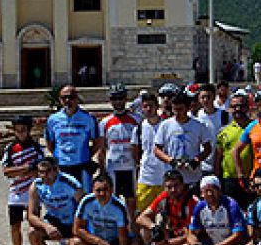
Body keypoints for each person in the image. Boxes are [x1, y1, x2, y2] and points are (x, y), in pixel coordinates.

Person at [70, 173, 135, 245]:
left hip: (115, 240)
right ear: (92, 190)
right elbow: (77, 229)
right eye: (98, 190)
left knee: (135, 244)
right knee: (74, 243)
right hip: (95, 238)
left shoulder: (119, 206)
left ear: (112, 190)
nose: (102, 194)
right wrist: (97, 241)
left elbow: (123, 238)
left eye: (105, 190)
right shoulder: (86, 202)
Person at [26, 158, 85, 245]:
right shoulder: (36, 186)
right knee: (32, 233)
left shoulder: (69, 182)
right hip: (53, 220)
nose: (44, 176)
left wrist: (78, 226)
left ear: (56, 170)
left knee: (77, 235)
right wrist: (46, 226)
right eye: (40, 172)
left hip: (72, 220)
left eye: (47, 171)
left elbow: (84, 207)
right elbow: (31, 215)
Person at [1, 115, 42, 245]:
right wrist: (25, 168)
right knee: (14, 227)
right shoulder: (10, 148)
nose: (21, 133)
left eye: (23, 130)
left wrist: (20, 170)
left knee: (34, 227)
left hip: (32, 192)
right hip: (15, 193)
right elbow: (6, 171)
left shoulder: (36, 147)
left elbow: (39, 169)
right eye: (17, 130)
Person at [136, 170, 199, 245]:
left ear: (183, 185)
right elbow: (141, 218)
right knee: (145, 230)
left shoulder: (192, 202)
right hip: (173, 235)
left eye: (176, 186)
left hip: (190, 240)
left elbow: (192, 235)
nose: (173, 190)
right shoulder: (164, 198)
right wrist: (155, 228)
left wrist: (165, 244)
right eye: (169, 187)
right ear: (164, 188)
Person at [43, 85, 102, 192]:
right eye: (63, 98)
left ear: (77, 98)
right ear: (59, 100)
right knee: (63, 200)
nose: (67, 100)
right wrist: (59, 155)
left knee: (83, 201)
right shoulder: (53, 120)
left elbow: (97, 141)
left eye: (71, 97)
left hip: (82, 167)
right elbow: (50, 142)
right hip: (61, 167)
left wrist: (87, 155)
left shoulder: (88, 118)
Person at [95, 84, 140, 217]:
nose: (118, 102)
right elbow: (102, 148)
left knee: (131, 200)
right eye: (114, 99)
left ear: (125, 99)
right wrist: (101, 168)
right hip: (112, 167)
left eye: (120, 98)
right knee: (112, 199)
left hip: (130, 167)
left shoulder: (136, 120)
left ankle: (132, 230)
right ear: (110, 100)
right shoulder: (104, 122)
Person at [153, 90, 212, 189]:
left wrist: (196, 161)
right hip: (172, 179)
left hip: (192, 178)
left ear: (188, 108)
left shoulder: (199, 125)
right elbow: (157, 150)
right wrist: (171, 161)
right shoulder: (165, 125)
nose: (177, 113)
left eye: (180, 109)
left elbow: (208, 149)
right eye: (174, 109)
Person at [132, 92, 169, 209]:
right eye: (145, 106)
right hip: (146, 177)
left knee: (166, 214)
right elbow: (135, 151)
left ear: (157, 107)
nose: (148, 109)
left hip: (164, 177)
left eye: (151, 106)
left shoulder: (167, 125)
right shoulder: (138, 129)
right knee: (143, 212)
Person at [215, 92, 252, 208]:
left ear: (247, 107)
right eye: (234, 107)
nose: (238, 109)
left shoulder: (255, 127)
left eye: (241, 106)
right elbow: (218, 158)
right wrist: (218, 179)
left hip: (250, 179)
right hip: (229, 180)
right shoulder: (224, 131)